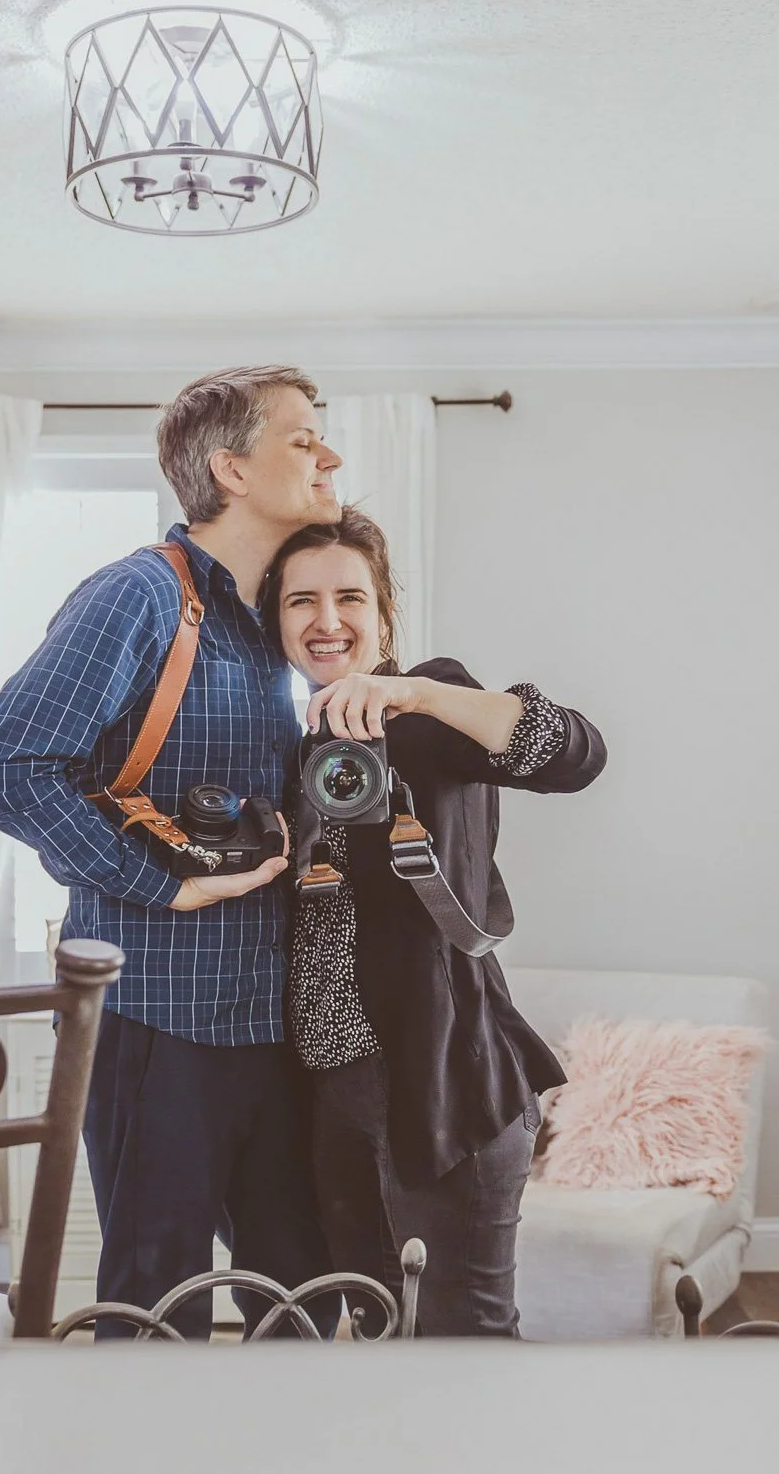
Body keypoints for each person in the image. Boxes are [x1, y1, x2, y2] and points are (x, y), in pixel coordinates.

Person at [0, 366, 344, 1340]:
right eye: (303, 439)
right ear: (231, 468)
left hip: (272, 1023)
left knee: (301, 1299)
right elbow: (2, 770)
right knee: (149, 1303)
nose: (328, 456)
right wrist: (161, 885)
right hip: (156, 1017)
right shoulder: (136, 594)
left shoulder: (274, 621)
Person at [259, 505, 607, 1337]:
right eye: (301, 601)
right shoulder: (293, 744)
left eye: (350, 598)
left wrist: (413, 691)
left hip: (445, 1076)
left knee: (466, 1342)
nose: (327, 620)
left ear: (384, 616)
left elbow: (576, 754)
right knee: (380, 1337)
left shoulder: (430, 710)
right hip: (333, 1089)